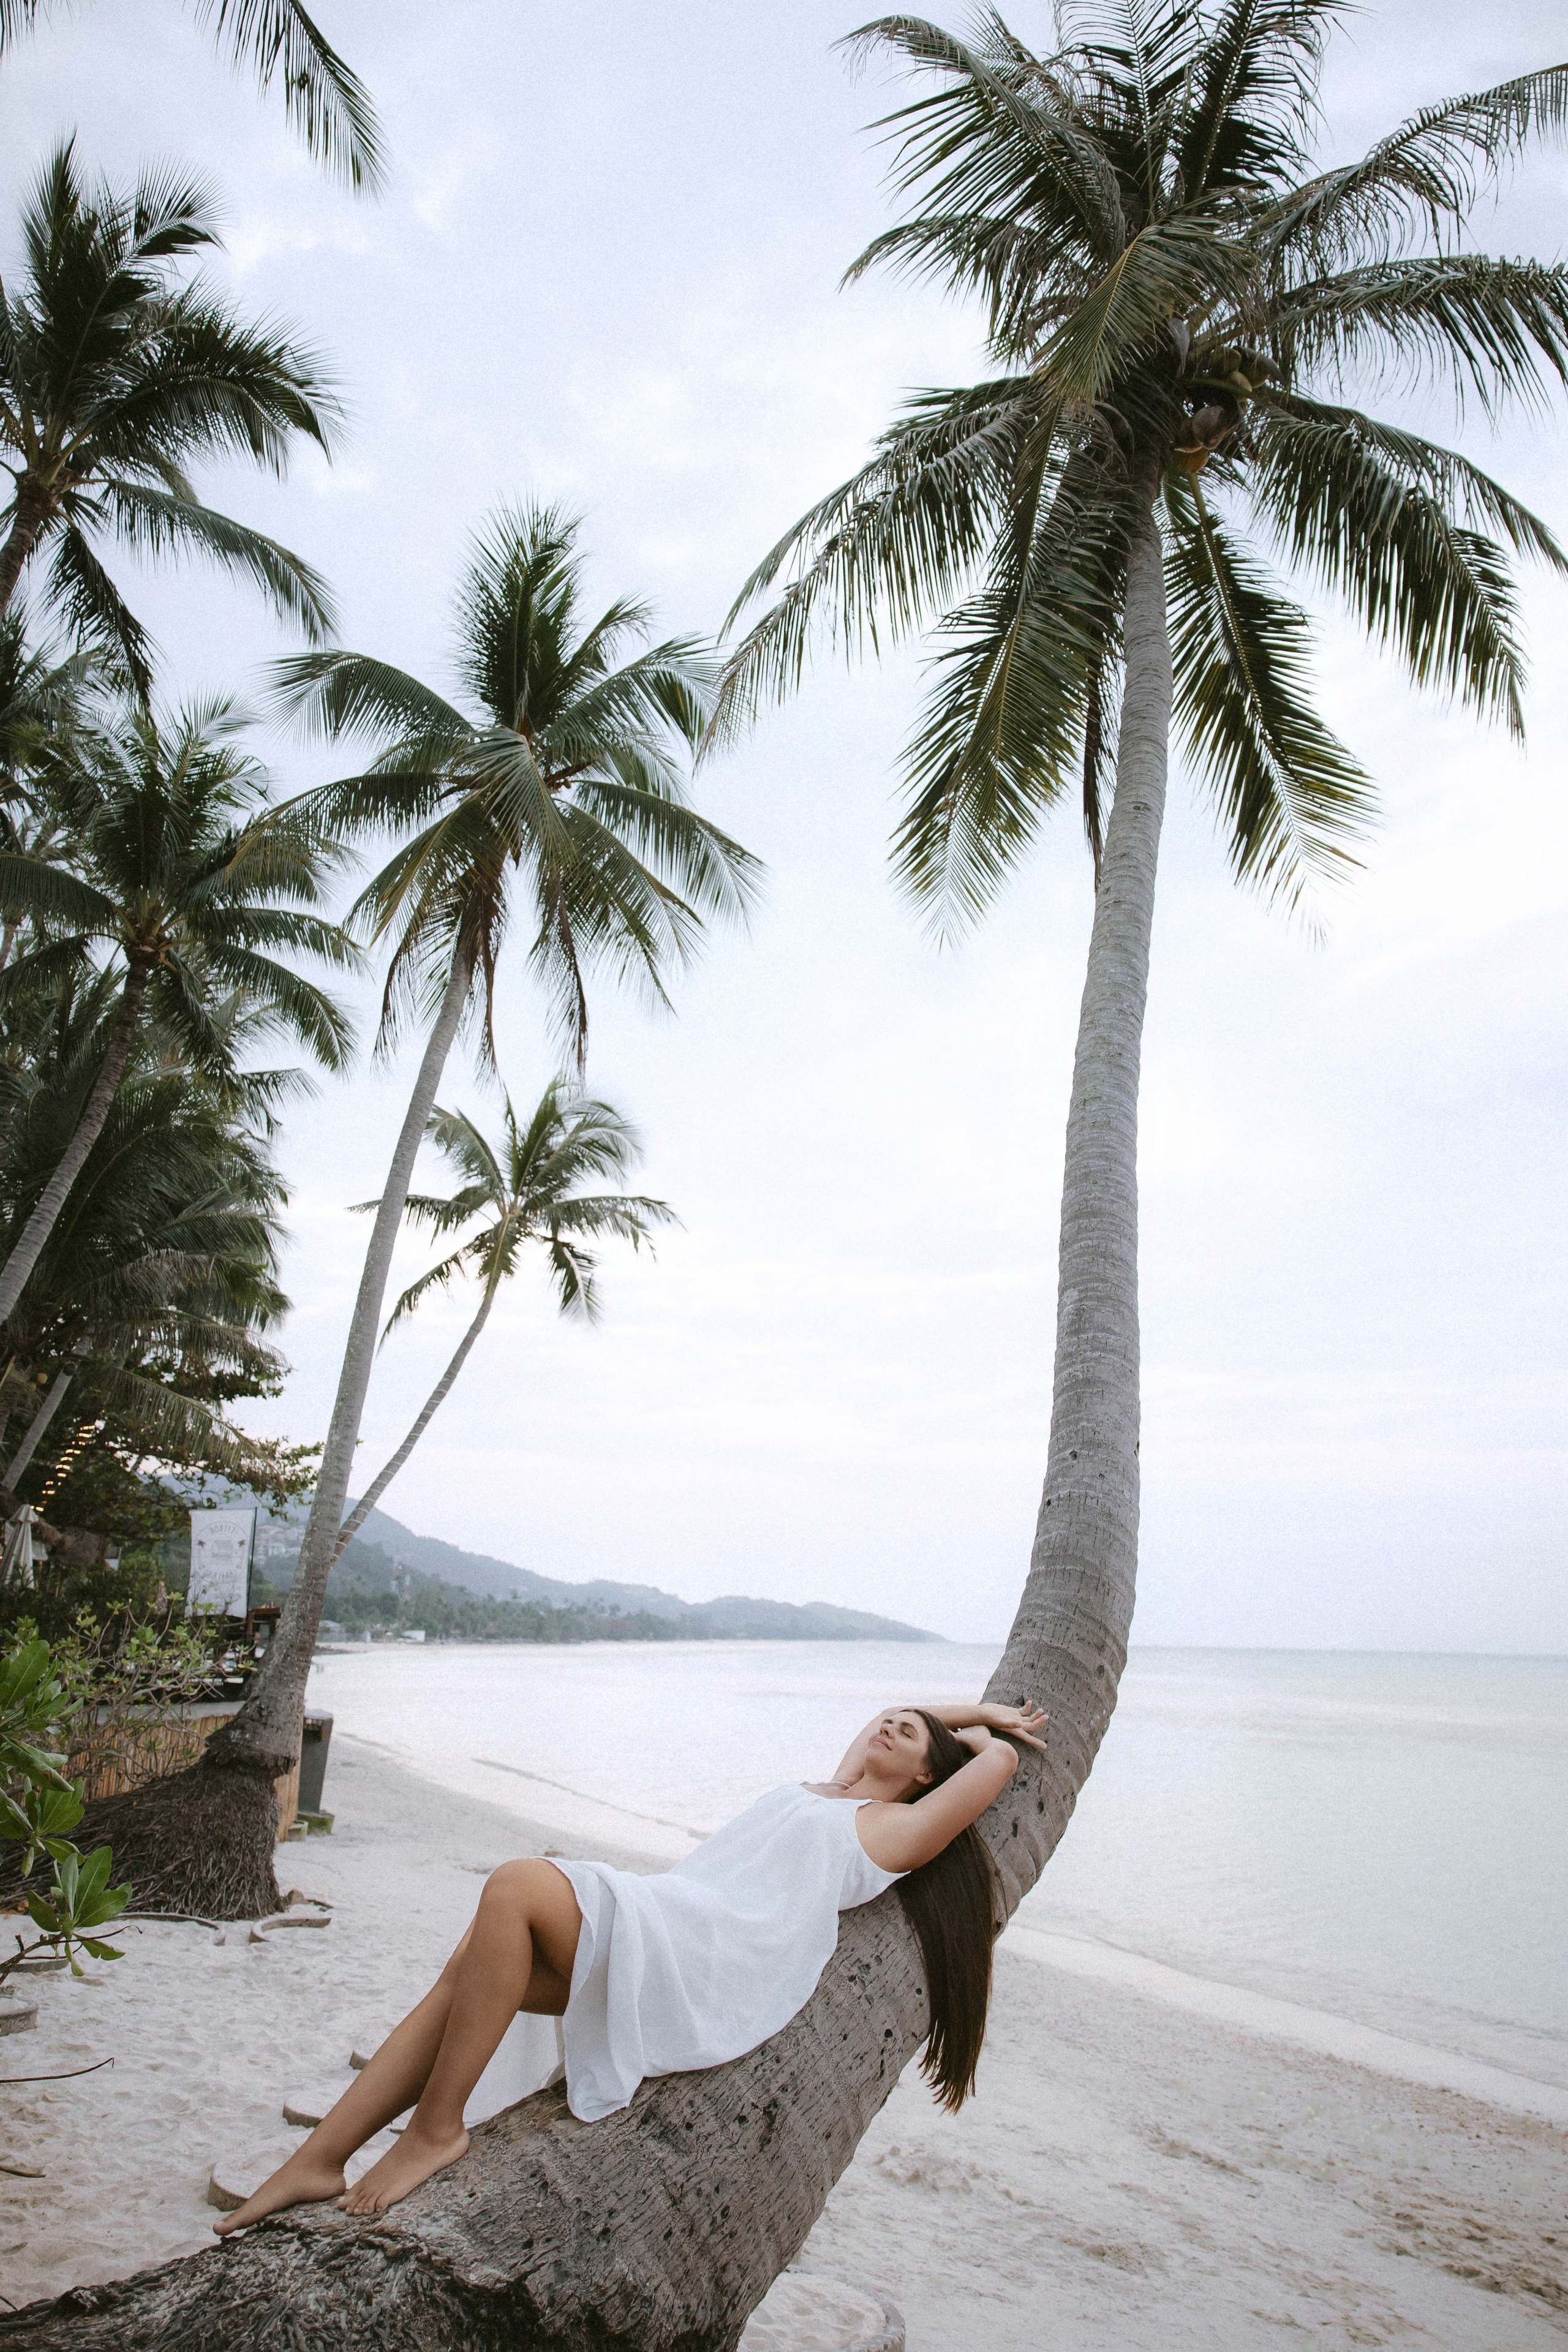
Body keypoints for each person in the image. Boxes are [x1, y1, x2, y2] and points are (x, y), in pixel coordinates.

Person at [214, 1697, 1047, 2232]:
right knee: (473, 1964)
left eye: (914, 1734)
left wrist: (985, 1737)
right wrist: (955, 1708)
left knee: (514, 1885)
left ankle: (435, 2130)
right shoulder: (825, 1789)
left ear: (927, 1776)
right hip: (674, 1916)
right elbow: (886, 1717)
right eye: (890, 1719)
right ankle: (318, 2159)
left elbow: (998, 1768)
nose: (893, 1723)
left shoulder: (891, 1830)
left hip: (714, 1956)